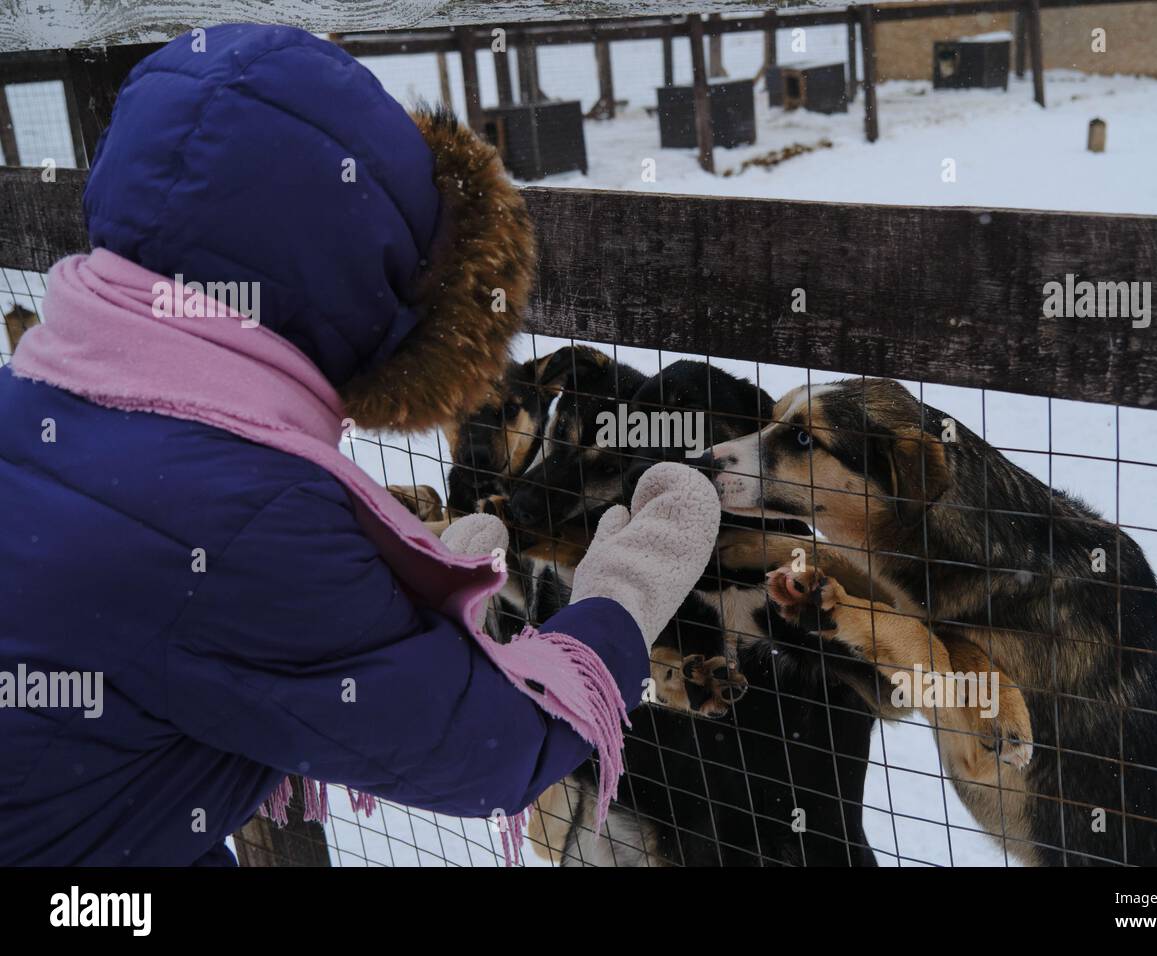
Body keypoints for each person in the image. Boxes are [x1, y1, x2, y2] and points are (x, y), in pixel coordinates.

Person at [0, 23, 719, 866]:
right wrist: (623, 596)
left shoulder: (32, 401)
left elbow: (183, 661)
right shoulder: (241, 517)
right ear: (361, 279)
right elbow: (492, 746)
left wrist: (382, 616)